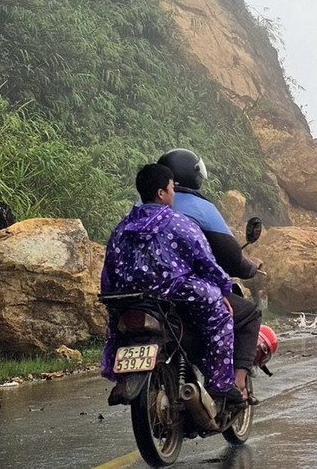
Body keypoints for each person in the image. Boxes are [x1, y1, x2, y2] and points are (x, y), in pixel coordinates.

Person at [100, 163, 243, 404]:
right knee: (220, 317)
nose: (173, 194)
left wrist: (111, 296)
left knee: (117, 325)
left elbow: (109, 269)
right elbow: (205, 261)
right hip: (172, 291)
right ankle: (220, 385)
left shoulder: (122, 228)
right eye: (171, 189)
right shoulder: (179, 223)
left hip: (129, 296)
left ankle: (122, 379)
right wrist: (223, 289)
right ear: (161, 193)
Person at [157, 148, 263, 404]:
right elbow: (228, 257)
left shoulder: (140, 210)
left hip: (145, 292)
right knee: (247, 313)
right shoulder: (199, 209)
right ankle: (234, 385)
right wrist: (247, 268)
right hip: (187, 290)